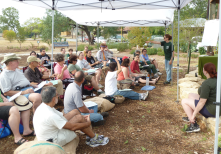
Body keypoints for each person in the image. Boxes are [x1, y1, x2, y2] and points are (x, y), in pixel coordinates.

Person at [33, 86, 109, 147]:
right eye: (57, 95)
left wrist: (78, 118)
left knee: (75, 111)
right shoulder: (50, 115)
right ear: (53, 99)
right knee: (79, 118)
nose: (58, 96)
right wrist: (87, 123)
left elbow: (63, 116)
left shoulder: (44, 106)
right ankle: (93, 138)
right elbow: (72, 127)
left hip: (51, 132)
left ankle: (89, 134)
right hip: (53, 141)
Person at [181, 63, 219, 133]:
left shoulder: (207, 83)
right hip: (217, 106)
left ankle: (194, 124)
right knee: (191, 95)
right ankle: (191, 116)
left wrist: (194, 114)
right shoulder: (217, 79)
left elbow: (202, 102)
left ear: (205, 71)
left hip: (212, 110)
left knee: (184, 101)